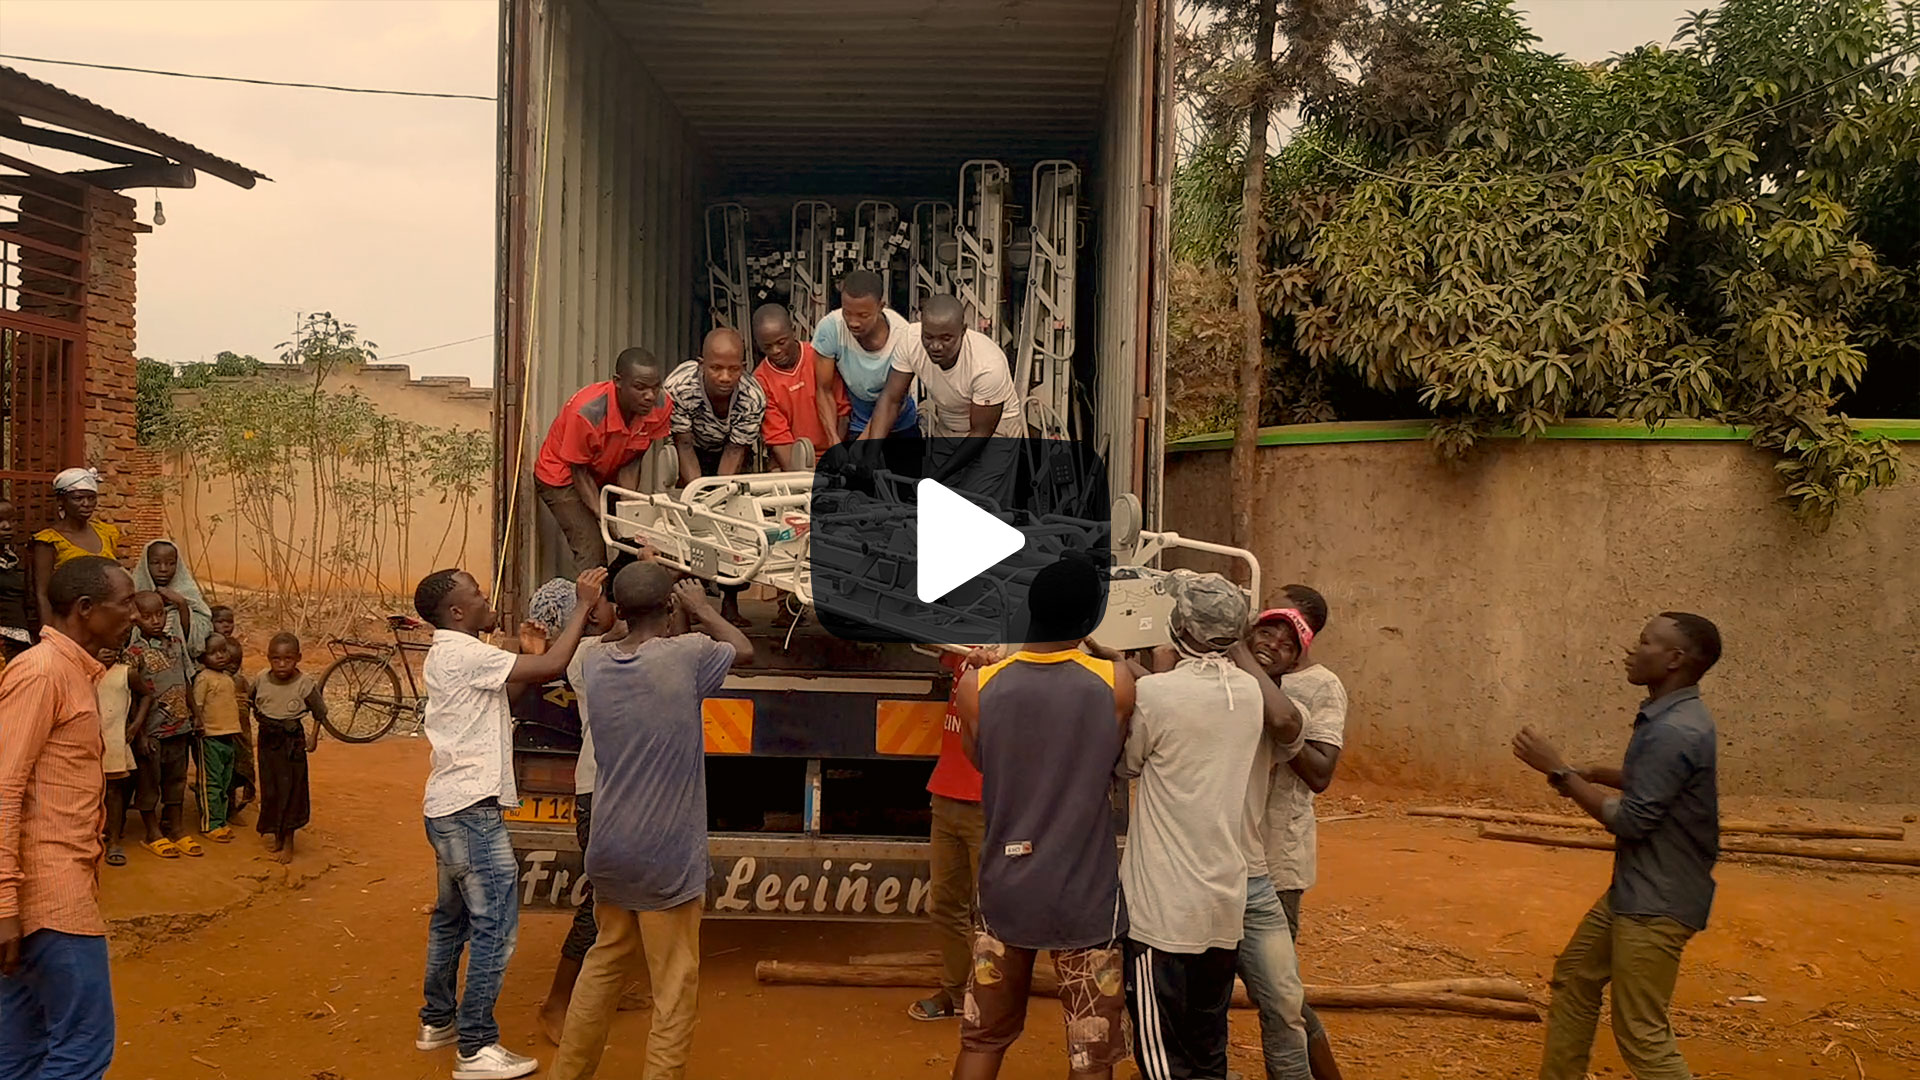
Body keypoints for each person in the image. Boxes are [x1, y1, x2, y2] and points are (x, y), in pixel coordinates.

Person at [550, 564, 754, 1080]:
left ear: (616, 612)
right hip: (666, 855)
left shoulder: (594, 665)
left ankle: (567, 1072)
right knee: (674, 984)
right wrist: (703, 608)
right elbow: (743, 649)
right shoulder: (687, 656)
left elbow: (641, 643)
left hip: (609, 848)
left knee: (603, 964)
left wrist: (654, 605)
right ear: (670, 611)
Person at [412, 566, 606, 1080]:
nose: (486, 596)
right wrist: (583, 605)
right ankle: (476, 1048)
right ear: (456, 612)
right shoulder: (464, 651)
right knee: (495, 928)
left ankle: (437, 1022)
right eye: (475, 592)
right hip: (472, 812)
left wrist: (526, 650)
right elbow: (554, 666)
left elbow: (506, 702)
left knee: (450, 921)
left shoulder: (453, 653)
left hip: (450, 808)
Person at [1513, 612, 1723, 1080]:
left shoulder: (1674, 730)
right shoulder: (1673, 716)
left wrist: (1559, 773)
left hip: (1656, 902)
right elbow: (1661, 786)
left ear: (1674, 659)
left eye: (1645, 642)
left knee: (1642, 1035)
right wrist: (1599, 772)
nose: (1631, 650)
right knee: (1575, 979)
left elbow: (1631, 821)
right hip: (1639, 890)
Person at [949, 556, 1136, 1080]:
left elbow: (979, 759)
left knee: (983, 1039)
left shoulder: (978, 688)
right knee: (1091, 1054)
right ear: (1088, 621)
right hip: (1085, 896)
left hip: (1005, 891)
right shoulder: (1115, 683)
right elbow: (1115, 752)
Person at [1120, 571, 1302, 1080]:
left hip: (1162, 911)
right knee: (1207, 1047)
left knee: (1162, 1060)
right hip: (1223, 906)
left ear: (1180, 626)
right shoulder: (1248, 696)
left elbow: (1128, 763)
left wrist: (1139, 670)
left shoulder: (1157, 696)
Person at [0, 555, 137, 1080]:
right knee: (82, 1049)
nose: (133, 613)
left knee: (22, 1046)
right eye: (123, 602)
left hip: (46, 894)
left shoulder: (72, 673)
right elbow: (5, 787)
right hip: (50, 898)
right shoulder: (40, 674)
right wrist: (6, 902)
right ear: (84, 609)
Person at [529, 578, 650, 1046]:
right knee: (600, 903)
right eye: (591, 607)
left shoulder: (604, 651)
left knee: (626, 899)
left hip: (618, 789)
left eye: (600, 602)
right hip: (601, 792)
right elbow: (646, 631)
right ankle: (555, 1004)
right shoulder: (586, 658)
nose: (604, 609)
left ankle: (600, 985)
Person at [1254, 587, 1349, 1080]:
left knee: (1280, 993)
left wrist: (1282, 715)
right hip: (1233, 855)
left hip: (1278, 859)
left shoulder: (1321, 686)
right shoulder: (1251, 671)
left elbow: (1321, 773)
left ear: (1302, 633)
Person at [907, 644, 998, 1024]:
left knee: (993, 912)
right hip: (946, 794)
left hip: (990, 801)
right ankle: (957, 991)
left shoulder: (1023, 663)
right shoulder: (965, 647)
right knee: (944, 904)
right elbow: (925, 639)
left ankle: (993, 1001)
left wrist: (998, 663)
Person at [864, 295, 1025, 506]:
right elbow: (892, 398)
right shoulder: (910, 340)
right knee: (935, 505)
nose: (935, 346)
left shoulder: (987, 366)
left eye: (946, 339)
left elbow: (980, 433)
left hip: (994, 430)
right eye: (928, 337)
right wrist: (872, 452)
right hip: (950, 423)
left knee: (976, 505)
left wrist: (938, 477)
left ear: (963, 331)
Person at [534, 349, 671, 575]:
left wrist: (628, 513)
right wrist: (604, 516)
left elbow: (633, 459)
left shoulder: (661, 405)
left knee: (633, 536)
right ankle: (588, 607)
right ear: (618, 382)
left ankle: (616, 598)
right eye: (640, 388)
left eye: (655, 387)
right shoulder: (587, 412)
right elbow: (579, 471)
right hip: (563, 476)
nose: (649, 395)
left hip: (606, 471)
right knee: (592, 546)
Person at [664, 328, 765, 627]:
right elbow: (682, 443)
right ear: (701, 364)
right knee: (690, 524)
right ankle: (685, 603)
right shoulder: (679, 387)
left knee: (734, 527)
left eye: (733, 369)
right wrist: (699, 495)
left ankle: (730, 604)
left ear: (743, 368)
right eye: (716, 368)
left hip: (730, 456)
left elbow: (736, 451)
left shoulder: (752, 397)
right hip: (690, 450)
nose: (724, 377)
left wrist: (718, 497)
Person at [126, 590, 201, 859]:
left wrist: (196, 716)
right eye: (147, 616)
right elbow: (132, 698)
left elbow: (186, 681)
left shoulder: (176, 644)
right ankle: (152, 832)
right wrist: (140, 733)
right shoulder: (133, 653)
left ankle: (176, 827)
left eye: (160, 614)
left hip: (180, 727)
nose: (155, 621)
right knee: (149, 782)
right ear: (135, 620)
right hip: (152, 731)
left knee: (177, 779)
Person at [811, 269, 921, 443]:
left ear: (880, 307)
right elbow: (824, 390)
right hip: (859, 421)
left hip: (901, 423)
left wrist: (863, 444)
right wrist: (833, 439)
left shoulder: (903, 335)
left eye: (863, 315)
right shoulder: (830, 328)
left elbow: (893, 399)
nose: (853, 322)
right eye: (847, 313)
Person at [249, 633, 325, 860]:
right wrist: (261, 720)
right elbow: (251, 700)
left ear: (298, 658)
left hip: (292, 742)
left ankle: (289, 841)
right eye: (276, 659)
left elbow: (320, 712)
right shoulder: (262, 678)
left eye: (288, 659)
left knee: (292, 790)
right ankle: (277, 835)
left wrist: (312, 738)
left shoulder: (304, 684)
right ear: (268, 658)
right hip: (267, 740)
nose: (282, 665)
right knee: (271, 788)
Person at [752, 303, 850, 468]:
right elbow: (779, 439)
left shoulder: (819, 356)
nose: (776, 350)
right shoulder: (761, 380)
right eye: (767, 347)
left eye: (781, 342)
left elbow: (843, 413)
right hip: (797, 459)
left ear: (793, 330)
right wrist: (801, 478)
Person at [32, 468, 124, 629]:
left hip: (104, 624)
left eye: (91, 498)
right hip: (69, 624)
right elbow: (42, 594)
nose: (86, 504)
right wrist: (48, 633)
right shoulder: (49, 541)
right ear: (61, 501)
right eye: (78, 498)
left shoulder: (106, 533)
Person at [191, 634, 245, 843]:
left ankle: (221, 820)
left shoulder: (227, 678)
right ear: (202, 657)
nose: (220, 656)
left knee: (224, 781)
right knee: (210, 783)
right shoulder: (204, 678)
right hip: (210, 737)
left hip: (228, 736)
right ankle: (210, 824)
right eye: (213, 653)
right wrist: (198, 726)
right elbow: (198, 705)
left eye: (223, 651)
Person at [133, 539, 212, 659]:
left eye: (171, 563)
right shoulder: (132, 594)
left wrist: (182, 604)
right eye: (155, 563)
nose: (163, 569)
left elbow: (199, 636)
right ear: (145, 564)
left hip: (180, 666)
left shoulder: (188, 593)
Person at [98, 641, 135, 868]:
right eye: (103, 647)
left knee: (113, 791)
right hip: (89, 740)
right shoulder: (83, 672)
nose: (107, 651)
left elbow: (147, 696)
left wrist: (135, 725)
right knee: (90, 793)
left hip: (114, 740)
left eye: (111, 647)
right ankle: (92, 839)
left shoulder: (126, 673)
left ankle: (113, 841)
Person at [0, 498, 32, 669]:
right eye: (0, 521)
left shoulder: (11, 560)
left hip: (17, 642)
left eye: (12, 520)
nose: (7, 526)